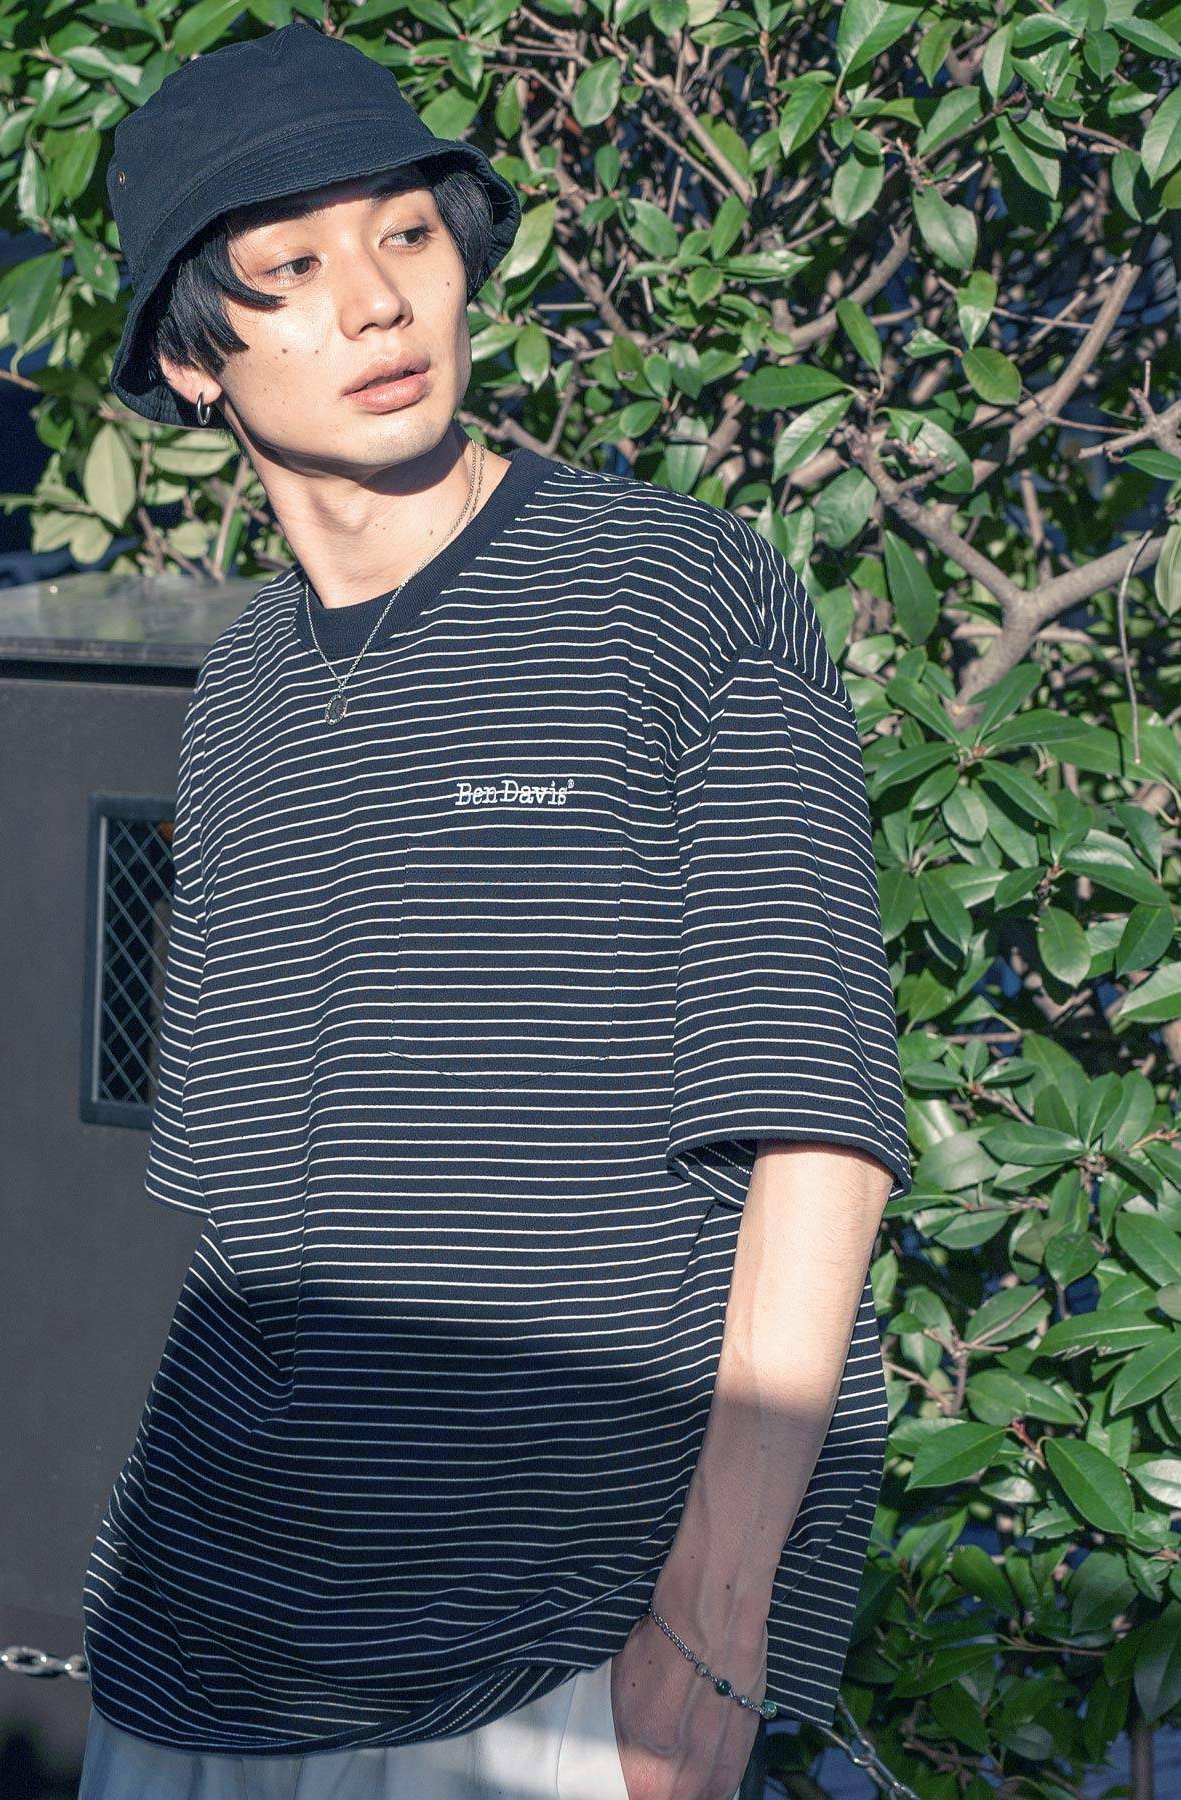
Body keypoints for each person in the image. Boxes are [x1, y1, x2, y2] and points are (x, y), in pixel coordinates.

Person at [79, 22, 913, 1800]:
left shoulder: (672, 596)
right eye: (291, 270)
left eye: (407, 235)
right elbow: (249, 1220)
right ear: (193, 358)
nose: (378, 303)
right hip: (199, 1654)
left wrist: (713, 1626)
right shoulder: (240, 701)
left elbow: (818, 1130)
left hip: (557, 1660)